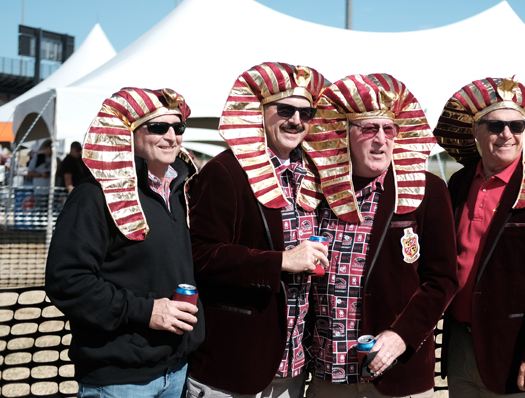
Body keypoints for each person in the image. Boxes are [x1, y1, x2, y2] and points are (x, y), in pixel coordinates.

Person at [302, 73, 458, 398]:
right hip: (328, 369)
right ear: (344, 133)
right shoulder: (317, 189)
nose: (380, 139)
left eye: (389, 129)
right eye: (368, 128)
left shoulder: (427, 190)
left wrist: (402, 335)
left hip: (397, 371)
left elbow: (442, 278)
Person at [45, 88, 204, 397]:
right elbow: (67, 281)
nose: (172, 136)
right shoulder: (93, 195)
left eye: (178, 127)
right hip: (119, 380)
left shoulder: (182, 191)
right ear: (127, 133)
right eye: (158, 127)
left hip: (177, 369)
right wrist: (145, 312)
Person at [186, 62, 330, 397]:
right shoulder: (227, 170)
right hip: (235, 361)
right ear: (259, 112)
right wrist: (279, 261)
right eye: (285, 109)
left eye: (306, 113)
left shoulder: (314, 174)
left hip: (294, 363)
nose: (295, 120)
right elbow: (199, 254)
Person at [432, 77, 525, 397]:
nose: (507, 134)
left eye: (517, 125)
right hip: (459, 343)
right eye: (496, 125)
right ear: (476, 130)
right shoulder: (458, 183)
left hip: (516, 352)